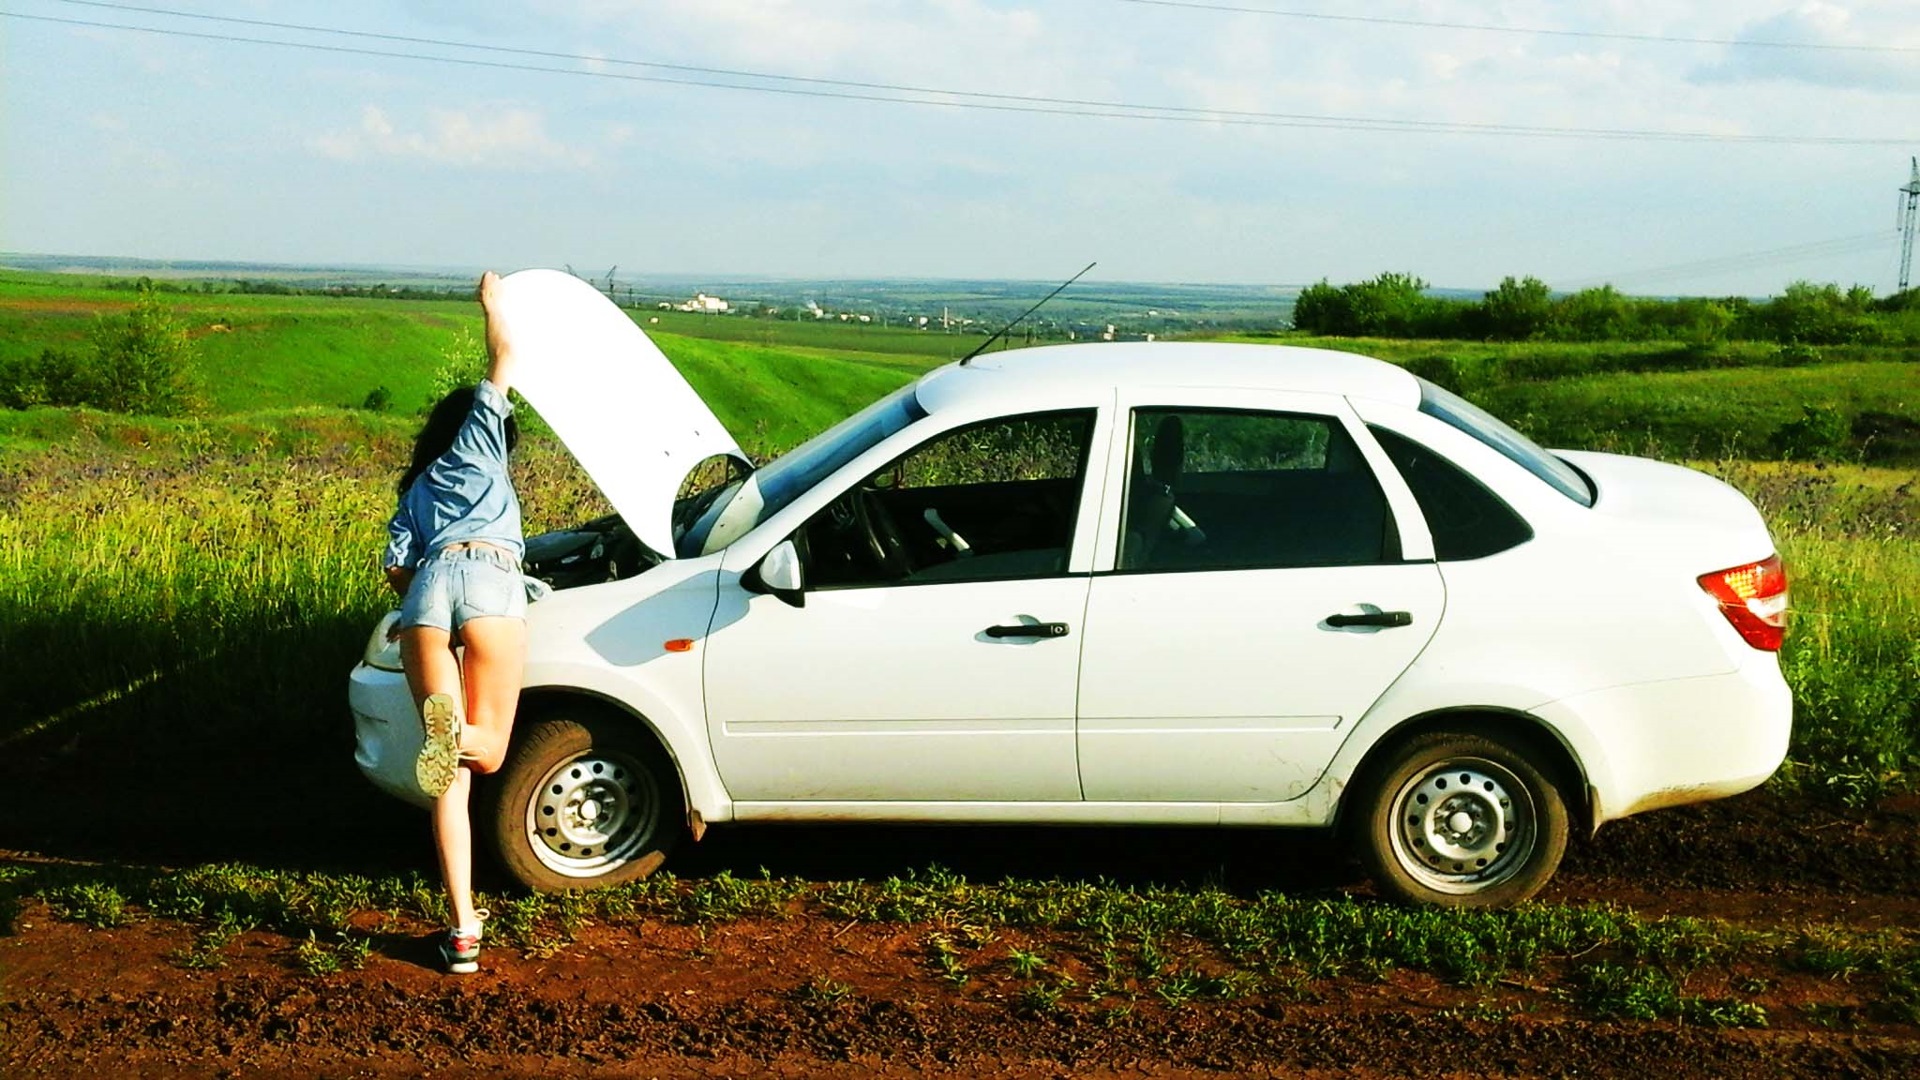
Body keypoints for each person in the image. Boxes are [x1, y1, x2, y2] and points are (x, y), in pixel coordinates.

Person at [382, 270, 526, 975]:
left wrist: (416, 608)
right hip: (492, 581)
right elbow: (503, 360)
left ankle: (463, 931)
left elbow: (398, 573)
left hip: (427, 597)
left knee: (449, 778)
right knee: (490, 751)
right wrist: (493, 305)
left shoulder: (413, 490)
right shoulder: (481, 444)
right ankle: (456, 733)